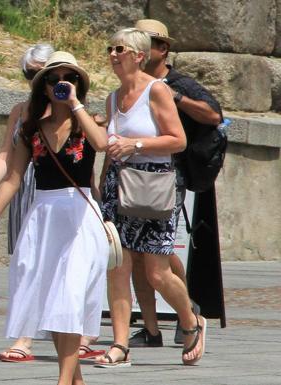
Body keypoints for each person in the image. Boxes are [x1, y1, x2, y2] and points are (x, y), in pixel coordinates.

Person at [0, 50, 109, 385]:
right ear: (43, 87)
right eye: (54, 78)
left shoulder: (90, 122)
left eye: (70, 78)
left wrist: (75, 104)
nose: (62, 84)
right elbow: (13, 179)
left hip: (79, 217)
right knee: (54, 302)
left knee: (70, 297)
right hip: (44, 217)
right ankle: (74, 380)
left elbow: (102, 144)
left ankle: (62, 381)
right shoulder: (32, 131)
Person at [94, 28, 207, 368]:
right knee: (118, 267)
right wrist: (101, 186)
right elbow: (111, 149)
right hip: (118, 185)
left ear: (139, 55)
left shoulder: (157, 91)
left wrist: (136, 144)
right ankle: (119, 344)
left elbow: (178, 140)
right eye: (110, 48)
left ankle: (191, 321)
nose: (113, 54)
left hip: (154, 185)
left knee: (156, 273)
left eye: (120, 49)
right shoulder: (113, 97)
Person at [128, 19, 222, 348]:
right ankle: (151, 329)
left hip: (169, 176)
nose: (137, 49)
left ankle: (190, 314)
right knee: (137, 256)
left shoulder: (176, 81)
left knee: (156, 255)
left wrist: (175, 95)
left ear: (162, 49)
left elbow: (213, 115)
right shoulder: (131, 84)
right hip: (132, 177)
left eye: (145, 42)